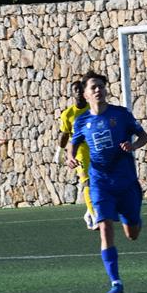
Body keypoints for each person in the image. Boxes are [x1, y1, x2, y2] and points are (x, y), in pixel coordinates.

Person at [67, 70, 147, 293]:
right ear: (85, 94)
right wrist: (70, 157)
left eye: (101, 86)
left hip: (126, 181)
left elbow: (143, 136)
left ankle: (132, 218)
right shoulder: (82, 121)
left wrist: (133, 146)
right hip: (100, 182)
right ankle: (116, 281)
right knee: (104, 226)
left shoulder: (121, 114)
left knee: (132, 233)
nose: (98, 90)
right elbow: (73, 144)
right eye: (93, 87)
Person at [56, 80, 97, 230]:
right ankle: (95, 216)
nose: (79, 92)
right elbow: (65, 134)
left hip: (96, 148)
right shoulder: (68, 114)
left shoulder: (93, 108)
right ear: (72, 93)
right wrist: (60, 151)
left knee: (100, 181)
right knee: (87, 182)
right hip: (79, 151)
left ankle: (88, 213)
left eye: (81, 89)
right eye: (75, 90)